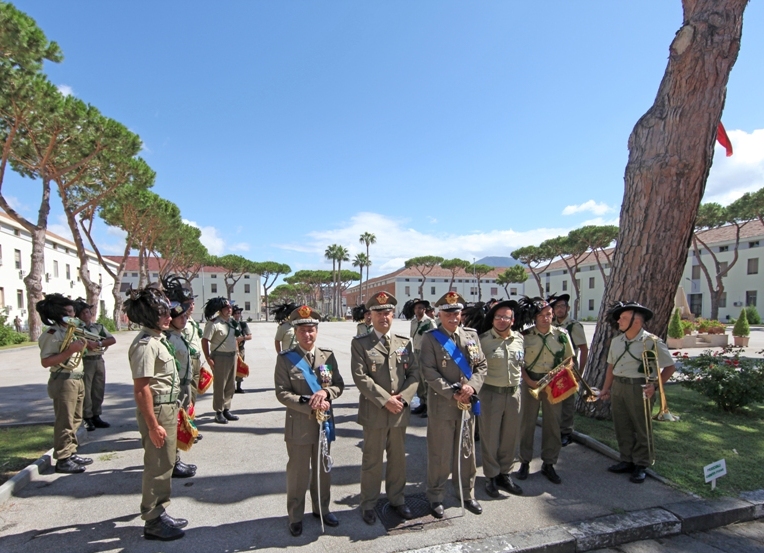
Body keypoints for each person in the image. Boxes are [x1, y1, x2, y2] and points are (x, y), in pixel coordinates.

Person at [274, 305, 344, 537]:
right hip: (300, 425)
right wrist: (309, 403)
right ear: (296, 332)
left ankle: (322, 509)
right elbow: (282, 393)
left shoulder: (327, 356)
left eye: (311, 330)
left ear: (317, 331)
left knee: (323, 470)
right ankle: (295, 516)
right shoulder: (286, 359)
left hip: (324, 424)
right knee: (298, 473)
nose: (307, 334)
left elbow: (338, 385)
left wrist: (326, 393)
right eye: (303, 330)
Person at [125, 287, 187, 541]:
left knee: (166, 462)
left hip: (167, 407)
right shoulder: (145, 345)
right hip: (158, 410)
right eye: (163, 314)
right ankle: (152, 519)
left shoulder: (158, 339)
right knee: (158, 465)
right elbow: (142, 389)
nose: (169, 317)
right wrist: (153, 425)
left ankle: (160, 512)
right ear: (149, 316)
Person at [350, 292, 419, 525]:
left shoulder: (404, 342)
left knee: (398, 460)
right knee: (372, 460)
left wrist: (404, 398)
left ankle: (397, 499)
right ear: (370, 315)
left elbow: (414, 374)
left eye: (387, 312)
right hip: (375, 412)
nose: (384, 317)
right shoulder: (360, 343)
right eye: (378, 313)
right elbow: (360, 377)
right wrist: (386, 400)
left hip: (399, 411)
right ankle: (368, 503)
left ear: (392, 314)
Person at [419, 292, 487, 518]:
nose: (453, 317)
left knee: (467, 452)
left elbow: (481, 365)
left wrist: (472, 387)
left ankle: (467, 493)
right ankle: (435, 496)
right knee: (439, 453)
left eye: (456, 313)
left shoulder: (471, 335)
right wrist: (453, 393)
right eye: (448, 313)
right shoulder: (431, 338)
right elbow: (429, 371)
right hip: (443, 405)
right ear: (439, 314)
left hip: (467, 404)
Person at [599, 302, 675, 484]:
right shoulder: (617, 341)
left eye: (623, 318)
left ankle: (641, 464)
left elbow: (670, 367)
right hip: (619, 386)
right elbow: (611, 367)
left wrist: (654, 386)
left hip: (639, 388)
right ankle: (626, 459)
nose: (619, 321)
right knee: (622, 424)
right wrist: (606, 389)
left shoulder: (652, 342)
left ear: (637, 322)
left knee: (641, 426)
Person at [516, 297, 575, 485]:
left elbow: (569, 360)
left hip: (553, 383)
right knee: (527, 423)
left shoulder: (561, 334)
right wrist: (528, 381)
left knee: (553, 424)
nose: (545, 318)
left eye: (548, 314)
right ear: (535, 317)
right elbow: (519, 362)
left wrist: (558, 376)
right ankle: (524, 461)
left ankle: (549, 463)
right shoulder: (525, 336)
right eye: (541, 315)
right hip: (531, 381)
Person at [36, 293, 93, 474]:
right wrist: (70, 350)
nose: (72, 315)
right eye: (68, 312)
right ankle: (63, 458)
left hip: (76, 378)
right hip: (64, 380)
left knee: (75, 419)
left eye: (72, 311)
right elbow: (46, 362)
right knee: (65, 421)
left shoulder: (70, 331)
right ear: (58, 314)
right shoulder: (52, 334)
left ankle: (71, 451)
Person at [477, 300, 524, 498]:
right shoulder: (482, 340)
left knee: (510, 437)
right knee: (490, 437)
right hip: (490, 394)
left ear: (512, 320)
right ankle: (491, 476)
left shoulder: (519, 339)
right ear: (492, 319)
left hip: (513, 395)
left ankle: (505, 473)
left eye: (506, 317)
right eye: (498, 317)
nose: (502, 320)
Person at [549, 294, 589, 447]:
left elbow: (584, 349)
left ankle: (566, 432)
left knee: (567, 401)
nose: (559, 309)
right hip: (552, 367)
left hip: (569, 366)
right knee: (552, 398)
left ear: (568, 308)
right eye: (556, 307)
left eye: (562, 306)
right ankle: (554, 429)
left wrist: (580, 372)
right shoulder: (551, 324)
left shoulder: (574, 326)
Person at [164, 300, 197, 479]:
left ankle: (175, 459)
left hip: (185, 385)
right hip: (176, 388)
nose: (184, 319)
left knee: (181, 422)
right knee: (174, 424)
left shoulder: (178, 336)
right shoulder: (169, 339)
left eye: (185, 316)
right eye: (180, 317)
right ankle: (173, 462)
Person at [74, 299, 116, 432]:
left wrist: (98, 344)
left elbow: (112, 339)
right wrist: (86, 344)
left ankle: (96, 415)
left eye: (87, 312)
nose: (86, 315)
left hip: (98, 359)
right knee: (86, 390)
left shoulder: (98, 327)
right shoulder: (76, 329)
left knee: (98, 388)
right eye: (82, 313)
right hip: (85, 360)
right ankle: (87, 417)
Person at [202, 297, 239, 424]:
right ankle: (218, 411)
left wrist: (237, 353)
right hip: (220, 357)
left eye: (230, 307)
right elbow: (205, 340)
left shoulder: (232, 322)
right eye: (226, 308)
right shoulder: (214, 323)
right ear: (220, 310)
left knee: (230, 384)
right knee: (220, 385)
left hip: (232, 356)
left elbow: (234, 338)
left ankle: (226, 408)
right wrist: (208, 358)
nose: (229, 309)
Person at [409, 299, 434, 417]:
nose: (417, 310)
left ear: (424, 309)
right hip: (416, 351)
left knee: (426, 379)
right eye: (416, 308)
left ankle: (429, 406)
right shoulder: (413, 322)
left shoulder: (429, 322)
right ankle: (422, 403)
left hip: (426, 352)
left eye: (420, 308)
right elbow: (412, 337)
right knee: (418, 378)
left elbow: (435, 337)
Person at [232, 305, 252, 394]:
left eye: (239, 313)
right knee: (231, 368)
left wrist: (242, 338)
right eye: (235, 313)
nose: (237, 315)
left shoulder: (242, 324)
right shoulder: (229, 323)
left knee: (240, 366)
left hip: (240, 348)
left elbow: (250, 336)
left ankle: (239, 386)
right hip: (231, 348)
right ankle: (231, 387)